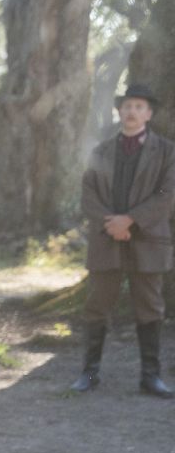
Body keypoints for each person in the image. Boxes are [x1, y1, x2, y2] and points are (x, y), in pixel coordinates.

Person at [71, 82, 175, 398]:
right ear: (120, 110)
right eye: (127, 106)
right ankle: (89, 373)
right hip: (106, 238)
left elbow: (166, 194)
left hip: (148, 239)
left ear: (149, 114)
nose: (132, 112)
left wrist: (130, 220)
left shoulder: (167, 151)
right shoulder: (100, 151)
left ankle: (151, 376)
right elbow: (87, 194)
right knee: (97, 304)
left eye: (139, 107)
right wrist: (111, 223)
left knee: (150, 306)